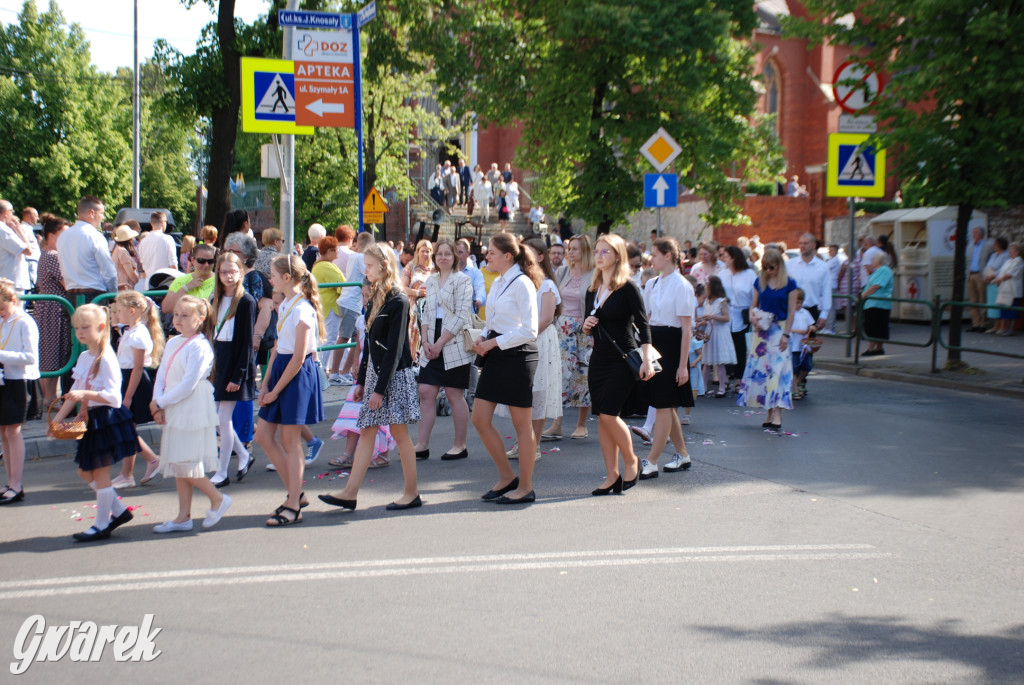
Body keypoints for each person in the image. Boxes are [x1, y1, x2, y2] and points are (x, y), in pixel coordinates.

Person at [319, 243, 421, 512]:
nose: (365, 270)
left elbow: (396, 348)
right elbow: (369, 345)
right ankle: (349, 493)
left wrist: (379, 389)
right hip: (377, 376)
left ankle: (411, 493)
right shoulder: (376, 296)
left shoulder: (398, 299)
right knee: (366, 432)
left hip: (394, 376)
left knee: (400, 434)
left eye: (369, 265)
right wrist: (363, 381)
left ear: (384, 265)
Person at [48, 304, 137, 541]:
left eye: (85, 327)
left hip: (105, 420)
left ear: (100, 327)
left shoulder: (106, 358)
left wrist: (85, 396)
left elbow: (114, 398)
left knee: (100, 473)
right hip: (92, 419)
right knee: (84, 470)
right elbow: (74, 391)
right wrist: (56, 421)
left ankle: (101, 524)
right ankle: (118, 512)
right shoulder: (84, 356)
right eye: (77, 327)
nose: (80, 332)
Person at [582, 233, 657, 496]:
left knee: (609, 415)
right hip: (599, 360)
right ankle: (612, 474)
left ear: (617, 256)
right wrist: (586, 327)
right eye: (597, 251)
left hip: (623, 359)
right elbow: (587, 324)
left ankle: (631, 460)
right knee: (602, 419)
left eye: (605, 251)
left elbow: (644, 324)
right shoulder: (592, 289)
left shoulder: (628, 287)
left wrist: (646, 359)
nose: (599, 256)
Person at [149, 296, 231, 533]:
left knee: (183, 461)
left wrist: (161, 401)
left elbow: (188, 383)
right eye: (177, 314)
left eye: (185, 315)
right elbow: (162, 373)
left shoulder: (200, 346)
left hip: (191, 405)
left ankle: (217, 498)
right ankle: (183, 516)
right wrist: (157, 402)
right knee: (178, 459)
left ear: (200, 318)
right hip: (173, 403)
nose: (178, 319)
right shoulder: (174, 342)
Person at [254, 255, 326, 526]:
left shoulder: (301, 308)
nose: (269, 279)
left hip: (296, 374)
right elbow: (277, 351)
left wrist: (275, 390)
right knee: (262, 435)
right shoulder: (284, 304)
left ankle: (293, 502)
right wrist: (266, 382)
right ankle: (296, 493)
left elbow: (298, 358)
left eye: (272, 274)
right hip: (281, 369)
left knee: (290, 440)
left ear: (287, 278)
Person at [470, 233, 540, 505]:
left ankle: (525, 486)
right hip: (497, 352)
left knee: (522, 424)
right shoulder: (499, 281)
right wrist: (483, 336)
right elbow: (495, 318)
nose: (487, 256)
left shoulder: (522, 283)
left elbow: (529, 330)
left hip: (518, 356)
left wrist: (493, 343)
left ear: (507, 256)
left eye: (491, 253)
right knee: (479, 418)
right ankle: (506, 476)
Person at [637, 238, 694, 480]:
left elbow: (686, 329)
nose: (651, 259)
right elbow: (647, 319)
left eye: (656, 254)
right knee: (665, 404)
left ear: (668, 255)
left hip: (672, 343)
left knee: (662, 405)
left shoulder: (682, 285)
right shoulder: (651, 284)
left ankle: (651, 461)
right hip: (655, 342)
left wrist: (683, 365)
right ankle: (682, 454)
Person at [414, 238, 474, 461]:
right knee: (426, 391)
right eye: (439, 254)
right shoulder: (431, 281)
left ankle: (460, 445)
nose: (443, 257)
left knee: (453, 393)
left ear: (455, 256)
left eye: (448, 253)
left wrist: (440, 342)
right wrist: (426, 341)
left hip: (454, 338)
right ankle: (422, 444)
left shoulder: (463, 281)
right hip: (432, 337)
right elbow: (427, 312)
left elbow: (460, 315)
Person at [503, 238, 562, 461]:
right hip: (522, 339)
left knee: (538, 394)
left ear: (540, 257)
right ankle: (523, 441)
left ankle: (533, 444)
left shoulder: (546, 284)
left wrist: (524, 335)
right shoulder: (520, 281)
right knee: (523, 395)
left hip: (539, 341)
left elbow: (546, 318)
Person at [328, 282, 394, 470]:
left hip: (378, 372)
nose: (365, 300)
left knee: (377, 412)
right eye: (363, 296)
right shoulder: (361, 320)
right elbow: (358, 346)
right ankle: (348, 453)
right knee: (354, 412)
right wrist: (355, 364)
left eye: (369, 296)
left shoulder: (384, 319)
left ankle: (382, 453)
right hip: (363, 373)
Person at [208, 253, 257, 488]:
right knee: (218, 418)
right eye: (224, 272)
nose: (229, 276)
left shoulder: (246, 301)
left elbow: (246, 342)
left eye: (233, 272)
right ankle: (244, 455)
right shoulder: (214, 298)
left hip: (236, 364)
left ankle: (222, 470)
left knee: (223, 418)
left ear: (240, 273)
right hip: (219, 359)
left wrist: (238, 375)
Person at [737, 248, 797, 432]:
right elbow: (753, 306)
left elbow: (792, 311)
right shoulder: (759, 282)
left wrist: (786, 334)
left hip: (779, 330)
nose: (768, 271)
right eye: (765, 267)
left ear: (779, 265)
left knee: (778, 373)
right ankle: (769, 412)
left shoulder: (790, 284)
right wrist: (752, 317)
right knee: (764, 373)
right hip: (762, 331)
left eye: (771, 267)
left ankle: (777, 412)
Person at [110, 291, 164, 487]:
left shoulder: (139, 333)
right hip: (127, 378)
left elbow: (138, 367)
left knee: (125, 427)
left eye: (120, 310)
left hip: (134, 381)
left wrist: (128, 397)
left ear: (132, 311)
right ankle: (127, 473)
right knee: (127, 427)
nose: (117, 313)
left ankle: (151, 459)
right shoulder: (131, 330)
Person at [543, 234, 594, 441]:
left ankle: (581, 424)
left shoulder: (594, 275)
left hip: (584, 330)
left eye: (574, 248)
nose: (569, 252)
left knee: (583, 377)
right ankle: (557, 424)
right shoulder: (562, 271)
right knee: (559, 375)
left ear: (585, 251)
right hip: (562, 329)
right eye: (569, 248)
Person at [0, 281, 39, 504]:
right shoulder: (4, 321)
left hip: (20, 380)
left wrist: (2, 355)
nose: (1, 313)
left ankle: (17, 484)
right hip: (5, 379)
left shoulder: (25, 322)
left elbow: (31, 357)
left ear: (13, 301)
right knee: (4, 432)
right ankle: (10, 483)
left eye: (2, 308)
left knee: (13, 432)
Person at [33, 214, 72, 408]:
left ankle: (48, 397)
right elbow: (67, 283)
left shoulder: (47, 256)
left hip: (50, 308)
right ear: (51, 236)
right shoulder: (53, 257)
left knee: (52, 353)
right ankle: (49, 397)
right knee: (52, 354)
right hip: (53, 310)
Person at [331, 231, 374, 384]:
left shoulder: (353, 256)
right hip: (351, 301)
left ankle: (344, 371)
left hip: (350, 300)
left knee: (356, 338)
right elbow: (370, 272)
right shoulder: (360, 257)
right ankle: (335, 373)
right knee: (344, 336)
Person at [57, 196, 118, 302]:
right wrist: (113, 295)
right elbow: (109, 271)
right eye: (102, 213)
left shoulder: (63, 236)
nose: (103, 217)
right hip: (93, 295)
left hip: (70, 296)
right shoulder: (95, 236)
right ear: (92, 213)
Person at [720, 245, 756, 392]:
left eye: (726, 257)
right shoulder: (723, 274)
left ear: (734, 258)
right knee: (726, 347)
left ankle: (740, 378)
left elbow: (755, 296)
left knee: (740, 348)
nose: (724, 259)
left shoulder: (749, 275)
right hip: (726, 315)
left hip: (742, 315)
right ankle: (727, 375)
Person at [311, 236, 346, 370]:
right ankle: (322, 367)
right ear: (330, 250)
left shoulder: (322, 265)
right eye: (336, 249)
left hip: (327, 305)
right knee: (330, 339)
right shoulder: (325, 266)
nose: (338, 251)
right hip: (329, 306)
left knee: (329, 338)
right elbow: (342, 284)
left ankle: (324, 367)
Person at [699, 275, 736, 397]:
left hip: (720, 333)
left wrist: (712, 317)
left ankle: (722, 387)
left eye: (707, 286)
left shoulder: (721, 301)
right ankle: (702, 387)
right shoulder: (706, 302)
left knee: (720, 362)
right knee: (707, 362)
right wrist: (700, 323)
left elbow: (726, 318)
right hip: (711, 333)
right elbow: (707, 320)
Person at [161, 243, 217, 314]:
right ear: (192, 260)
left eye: (210, 261)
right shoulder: (180, 281)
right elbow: (166, 309)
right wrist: (185, 288)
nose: (206, 265)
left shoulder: (219, 280)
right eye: (201, 261)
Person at [861, 252, 894, 355]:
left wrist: (864, 295)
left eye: (874, 258)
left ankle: (871, 349)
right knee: (876, 326)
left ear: (879, 260)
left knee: (875, 327)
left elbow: (876, 285)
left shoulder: (884, 270)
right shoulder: (878, 271)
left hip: (878, 304)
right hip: (874, 304)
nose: (872, 260)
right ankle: (878, 349)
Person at [789, 289, 817, 400]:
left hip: (804, 346)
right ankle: (795, 389)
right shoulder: (788, 313)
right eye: (796, 302)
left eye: (800, 302)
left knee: (807, 366)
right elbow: (786, 327)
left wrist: (812, 328)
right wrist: (795, 331)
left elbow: (811, 324)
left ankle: (799, 382)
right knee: (794, 367)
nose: (798, 305)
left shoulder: (805, 312)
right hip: (794, 345)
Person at [0, 200, 33, 290]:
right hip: (12, 282)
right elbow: (28, 251)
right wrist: (19, 230)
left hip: (5, 280)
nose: (13, 214)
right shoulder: (4, 230)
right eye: (12, 211)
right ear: (6, 213)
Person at [991, 243, 1022, 336]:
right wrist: (996, 279)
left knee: (1012, 309)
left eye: (1012, 249)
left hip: (1013, 289)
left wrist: (1000, 279)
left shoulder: (1018, 261)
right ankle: (1004, 328)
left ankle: (1011, 329)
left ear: (1017, 251)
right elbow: (1001, 272)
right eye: (1009, 249)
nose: (1010, 251)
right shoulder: (1008, 261)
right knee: (1004, 309)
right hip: (1004, 289)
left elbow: (1010, 274)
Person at [138, 211, 177, 277]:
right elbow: (173, 263)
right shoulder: (167, 239)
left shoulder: (143, 241)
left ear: (151, 223)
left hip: (149, 282)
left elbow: (142, 264)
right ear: (162, 222)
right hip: (165, 281)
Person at [983, 238, 1010, 330]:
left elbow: (1003, 268)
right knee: (992, 304)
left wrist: (992, 275)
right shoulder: (993, 255)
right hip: (990, 282)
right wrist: (986, 276)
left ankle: (1000, 325)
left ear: (1000, 244)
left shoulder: (1006, 255)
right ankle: (995, 324)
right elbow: (988, 266)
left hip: (998, 281)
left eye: (995, 244)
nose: (994, 246)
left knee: (998, 303)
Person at [110, 224, 142, 291]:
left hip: (121, 287)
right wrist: (139, 283)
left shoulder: (116, 249)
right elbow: (130, 273)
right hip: (126, 288)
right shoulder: (122, 251)